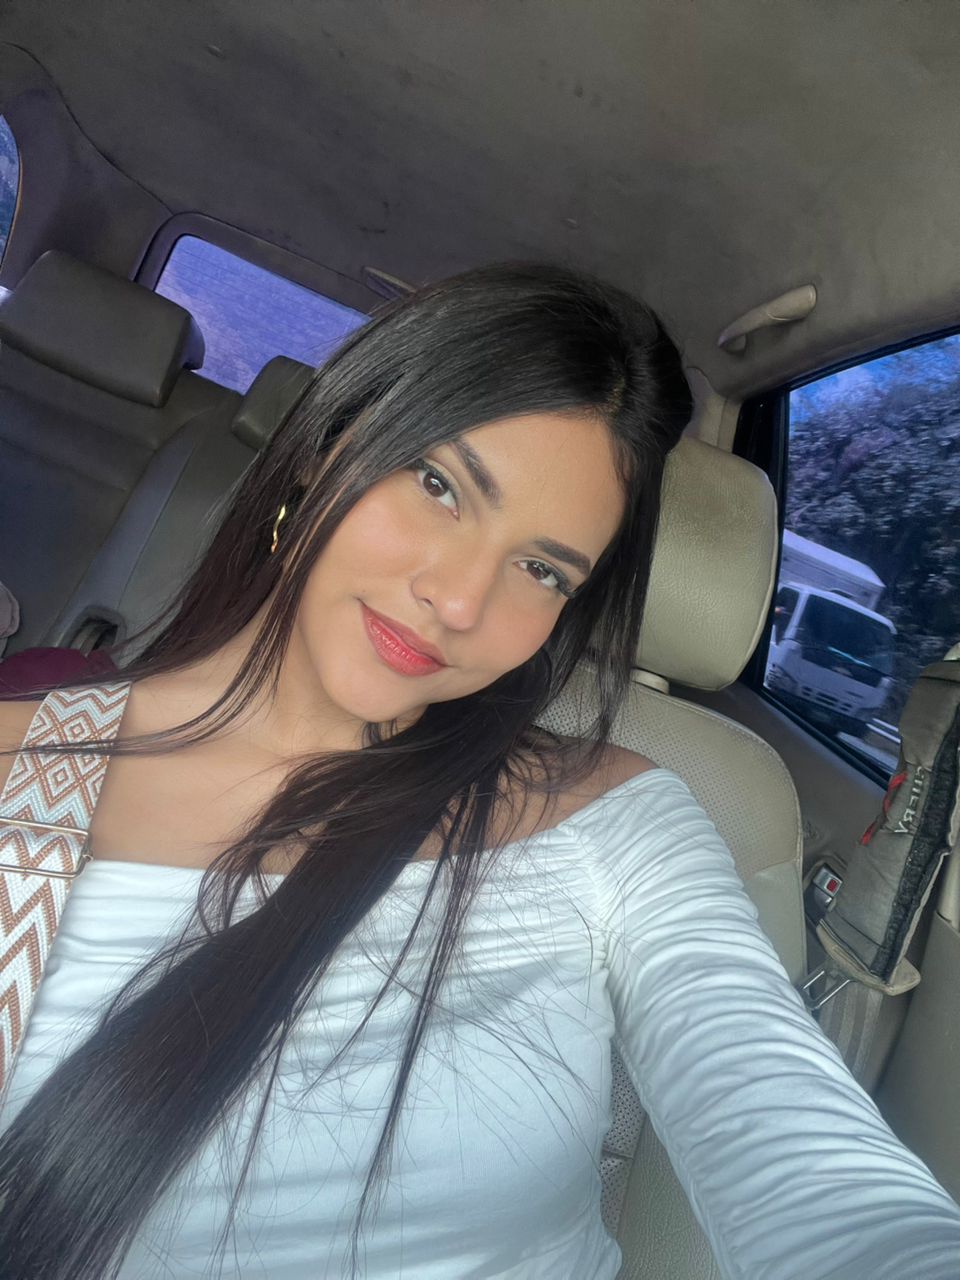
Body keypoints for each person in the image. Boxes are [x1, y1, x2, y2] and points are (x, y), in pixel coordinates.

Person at [0, 262, 957, 1280]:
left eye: (542, 569)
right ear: (326, 447)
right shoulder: (23, 765)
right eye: (441, 486)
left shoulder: (615, 820)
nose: (459, 602)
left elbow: (788, 1130)